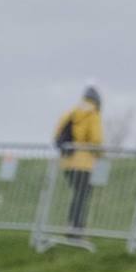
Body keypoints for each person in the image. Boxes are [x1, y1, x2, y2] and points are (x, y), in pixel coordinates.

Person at [53, 85, 103, 231]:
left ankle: (71, 224)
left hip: (67, 162)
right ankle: (77, 227)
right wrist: (100, 155)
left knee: (77, 194)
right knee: (82, 196)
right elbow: (96, 139)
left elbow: (57, 134)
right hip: (84, 163)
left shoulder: (71, 112)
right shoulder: (93, 114)